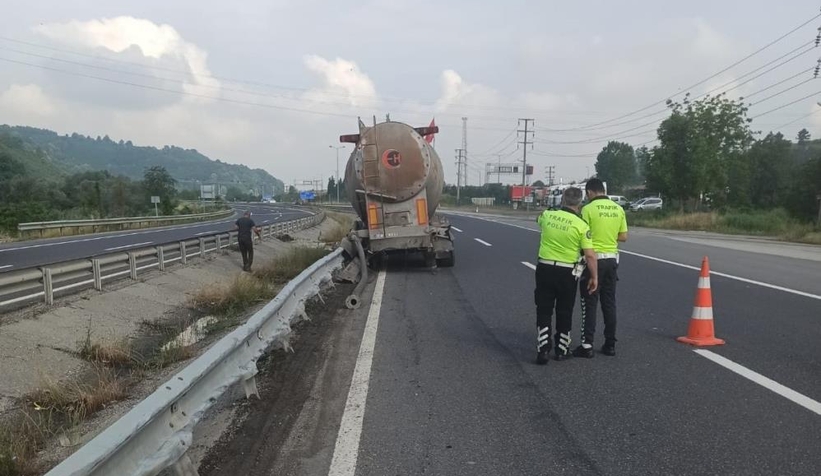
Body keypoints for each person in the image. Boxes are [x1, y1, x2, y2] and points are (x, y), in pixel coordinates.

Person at [534, 187, 598, 365]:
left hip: (545, 267)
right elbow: (590, 255)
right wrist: (594, 277)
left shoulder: (548, 215)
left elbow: (537, 218)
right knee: (565, 310)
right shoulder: (581, 225)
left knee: (544, 308)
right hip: (568, 272)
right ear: (580, 201)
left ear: (562, 198)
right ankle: (561, 350)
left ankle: (543, 349)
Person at [573, 179, 628, 358]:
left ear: (589, 192)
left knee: (590, 303)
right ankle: (610, 344)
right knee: (609, 303)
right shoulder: (618, 209)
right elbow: (624, 236)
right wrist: (609, 236)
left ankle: (587, 345)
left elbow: (581, 234)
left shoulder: (587, 210)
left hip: (593, 260)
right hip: (612, 260)